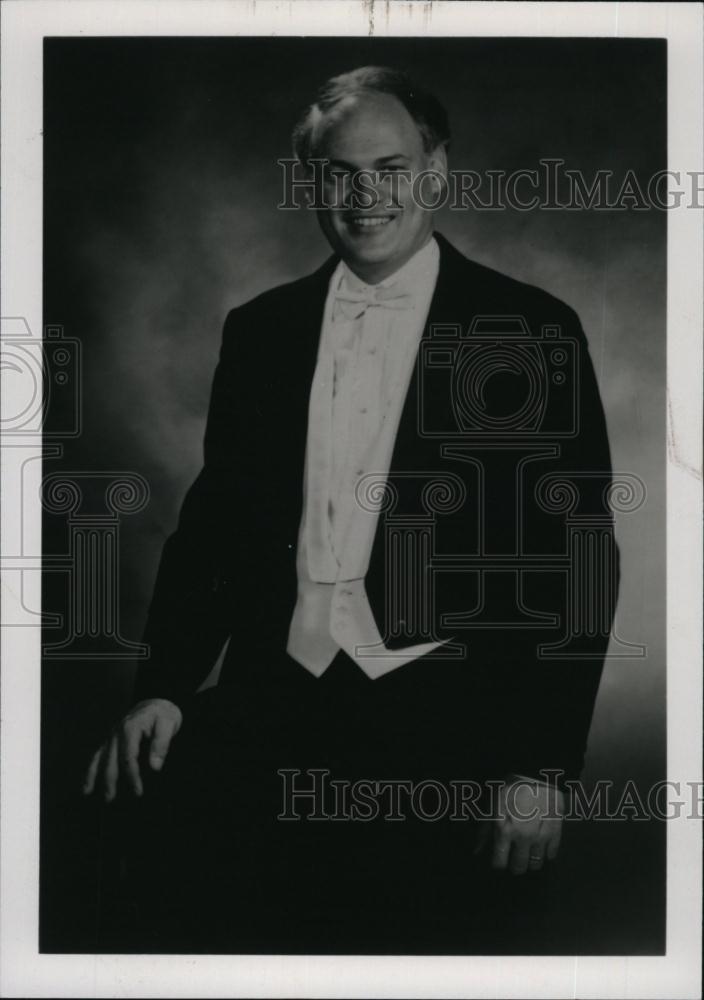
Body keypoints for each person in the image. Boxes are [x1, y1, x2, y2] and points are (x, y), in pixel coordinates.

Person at [83, 66, 618, 953]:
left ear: (436, 173)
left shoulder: (531, 329)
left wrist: (540, 766)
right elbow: (214, 524)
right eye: (339, 173)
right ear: (311, 183)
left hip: (448, 721)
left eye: (391, 167)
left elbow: (578, 558)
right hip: (274, 700)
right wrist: (168, 687)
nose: (365, 195)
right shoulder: (260, 330)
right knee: (156, 859)